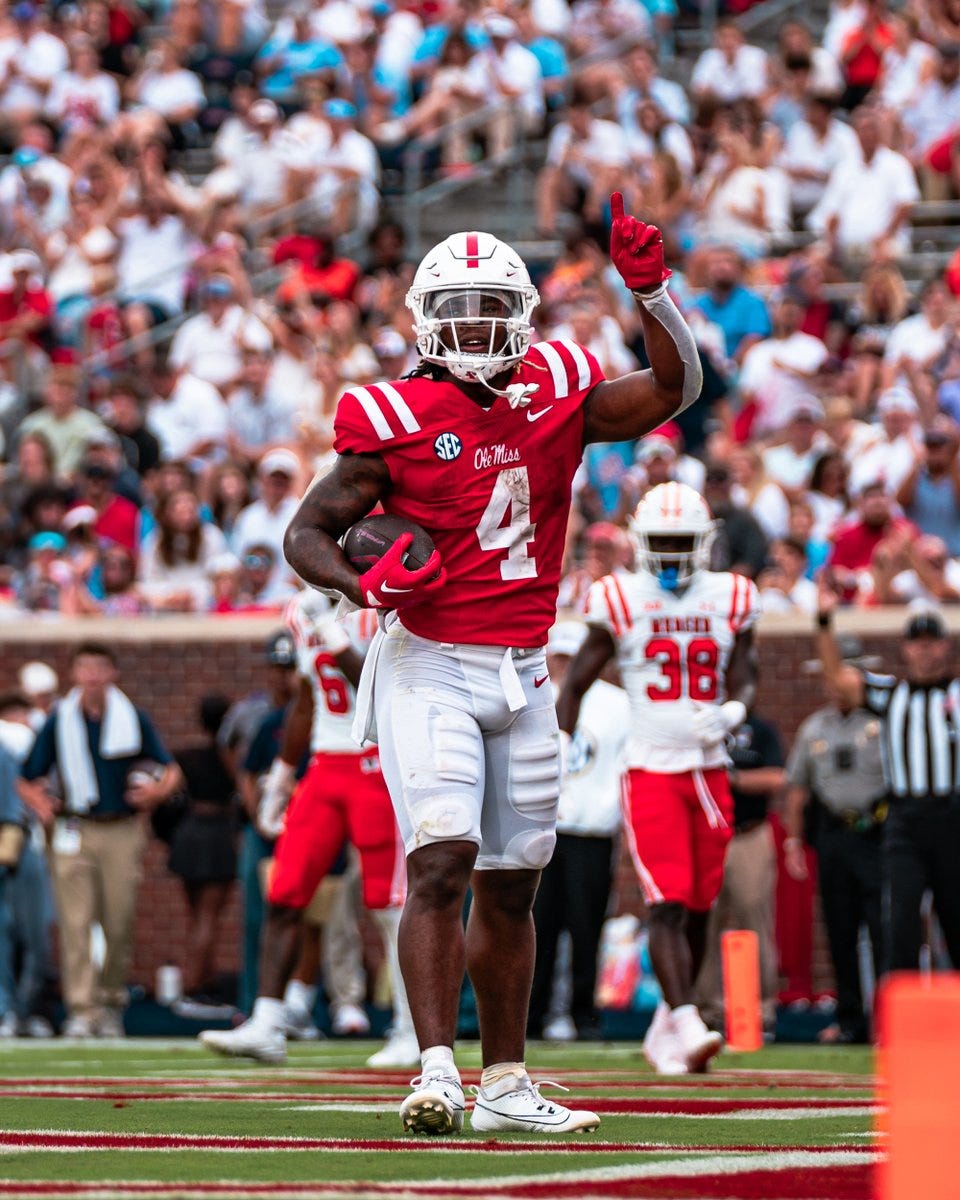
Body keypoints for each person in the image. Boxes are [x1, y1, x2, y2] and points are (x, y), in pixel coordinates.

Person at [283, 195, 702, 1135]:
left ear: (523, 315)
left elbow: (670, 392)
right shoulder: (389, 412)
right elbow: (306, 532)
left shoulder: (556, 383)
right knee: (440, 858)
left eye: (493, 307)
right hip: (429, 660)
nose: (477, 326)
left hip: (524, 668)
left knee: (516, 879)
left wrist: (653, 297)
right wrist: (362, 584)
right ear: (428, 319)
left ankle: (506, 1085)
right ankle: (436, 1070)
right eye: (459, 308)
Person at [557, 482, 759, 1074]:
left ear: (705, 544)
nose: (671, 555)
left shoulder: (732, 596)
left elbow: (747, 672)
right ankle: (689, 1016)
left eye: (682, 543)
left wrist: (734, 709)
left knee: (699, 905)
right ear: (641, 544)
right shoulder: (619, 597)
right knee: (666, 902)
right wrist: (560, 751)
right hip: (649, 767)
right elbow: (575, 684)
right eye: (662, 542)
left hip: (709, 770)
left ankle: (667, 1023)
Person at [201, 590, 416, 1068]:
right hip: (324, 766)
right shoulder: (301, 609)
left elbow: (377, 685)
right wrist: (281, 773)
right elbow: (306, 697)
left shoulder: (383, 601)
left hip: (377, 763)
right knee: (284, 892)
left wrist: (334, 633)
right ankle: (268, 1023)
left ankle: (411, 1028)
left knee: (389, 903)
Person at [17, 642, 182, 1038]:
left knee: (118, 921)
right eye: (85, 668)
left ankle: (110, 1002)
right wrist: (41, 805)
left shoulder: (131, 717)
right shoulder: (61, 719)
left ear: (112, 674)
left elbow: (170, 770)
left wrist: (155, 794)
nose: (92, 676)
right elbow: (26, 777)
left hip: (121, 829)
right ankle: (81, 1009)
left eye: (99, 668)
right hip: (76, 825)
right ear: (74, 674)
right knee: (75, 924)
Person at [815, 590, 960, 974]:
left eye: (932, 643)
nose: (925, 651)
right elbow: (838, 678)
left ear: (945, 647)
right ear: (907, 649)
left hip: (952, 816)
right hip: (906, 820)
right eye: (918, 644)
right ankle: (903, 1025)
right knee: (900, 921)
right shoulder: (890, 694)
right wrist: (825, 624)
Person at [528, 620, 631, 1042]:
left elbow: (624, 767)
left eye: (572, 659)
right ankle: (530, 1017)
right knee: (538, 928)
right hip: (542, 831)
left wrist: (619, 822)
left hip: (591, 831)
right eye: (559, 657)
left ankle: (584, 1014)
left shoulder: (617, 703)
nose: (564, 666)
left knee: (588, 928)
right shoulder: (533, 695)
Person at [783, 647, 886, 1044]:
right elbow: (797, 790)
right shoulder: (815, 728)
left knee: (884, 929)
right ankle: (849, 1021)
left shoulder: (882, 722)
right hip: (833, 835)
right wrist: (794, 840)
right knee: (839, 928)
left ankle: (888, 1020)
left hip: (876, 832)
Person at [695, 704, 785, 1037]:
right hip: (707, 832)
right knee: (704, 921)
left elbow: (777, 777)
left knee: (755, 919)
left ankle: (762, 1012)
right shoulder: (699, 727)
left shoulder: (760, 729)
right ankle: (706, 1013)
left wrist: (730, 779)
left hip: (749, 833)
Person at [166, 694, 238, 1014]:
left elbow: (164, 794)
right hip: (216, 833)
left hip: (188, 834)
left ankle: (203, 981)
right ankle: (194, 987)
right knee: (209, 916)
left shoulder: (186, 756)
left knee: (196, 915)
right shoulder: (230, 757)